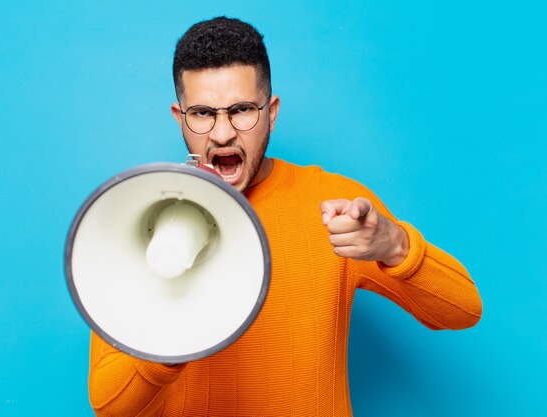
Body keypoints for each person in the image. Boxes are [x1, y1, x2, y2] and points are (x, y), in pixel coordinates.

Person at [87, 17, 482, 416]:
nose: (222, 133)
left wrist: (395, 246)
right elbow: (108, 406)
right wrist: (168, 341)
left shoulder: (334, 205)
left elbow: (465, 309)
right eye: (203, 113)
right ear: (180, 117)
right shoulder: (133, 216)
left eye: (242, 110)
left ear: (271, 112)